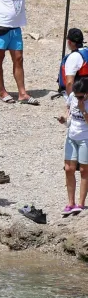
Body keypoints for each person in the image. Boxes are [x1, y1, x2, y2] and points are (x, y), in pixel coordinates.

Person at [57, 78, 88, 215]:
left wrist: (83, 111)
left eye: (81, 96)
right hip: (71, 135)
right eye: (76, 96)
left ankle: (81, 204)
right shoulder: (72, 97)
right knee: (68, 169)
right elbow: (68, 113)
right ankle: (71, 203)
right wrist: (64, 119)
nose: (78, 98)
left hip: (85, 138)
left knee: (83, 170)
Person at [58, 28, 88, 97]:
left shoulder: (73, 57)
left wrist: (70, 101)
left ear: (69, 42)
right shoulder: (86, 51)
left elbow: (69, 83)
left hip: (79, 97)